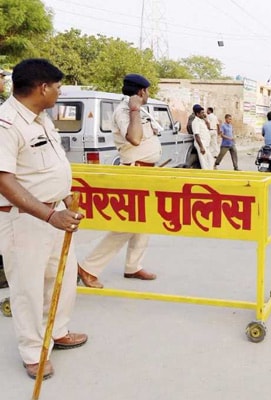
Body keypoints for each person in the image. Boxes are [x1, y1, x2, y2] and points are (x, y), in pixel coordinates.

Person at [0, 58, 87, 380]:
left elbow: (48, 164)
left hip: (56, 215)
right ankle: (33, 352)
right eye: (58, 87)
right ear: (43, 87)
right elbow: (4, 180)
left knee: (60, 280)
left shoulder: (41, 119)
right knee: (28, 288)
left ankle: (57, 331)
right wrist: (50, 214)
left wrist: (65, 196)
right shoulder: (6, 123)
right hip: (26, 219)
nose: (60, 93)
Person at [77, 73, 160, 289]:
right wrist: (133, 109)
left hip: (146, 172)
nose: (148, 94)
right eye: (147, 91)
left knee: (146, 221)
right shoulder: (125, 111)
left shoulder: (140, 110)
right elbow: (134, 138)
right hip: (134, 173)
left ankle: (133, 266)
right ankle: (88, 267)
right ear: (141, 92)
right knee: (127, 224)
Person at [191, 104, 215, 170]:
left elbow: (209, 127)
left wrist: (205, 119)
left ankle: (209, 174)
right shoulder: (195, 122)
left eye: (203, 112)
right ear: (197, 114)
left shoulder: (202, 120)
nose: (203, 114)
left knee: (210, 160)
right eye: (202, 113)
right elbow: (196, 135)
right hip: (201, 144)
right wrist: (201, 147)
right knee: (205, 163)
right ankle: (206, 176)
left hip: (205, 144)